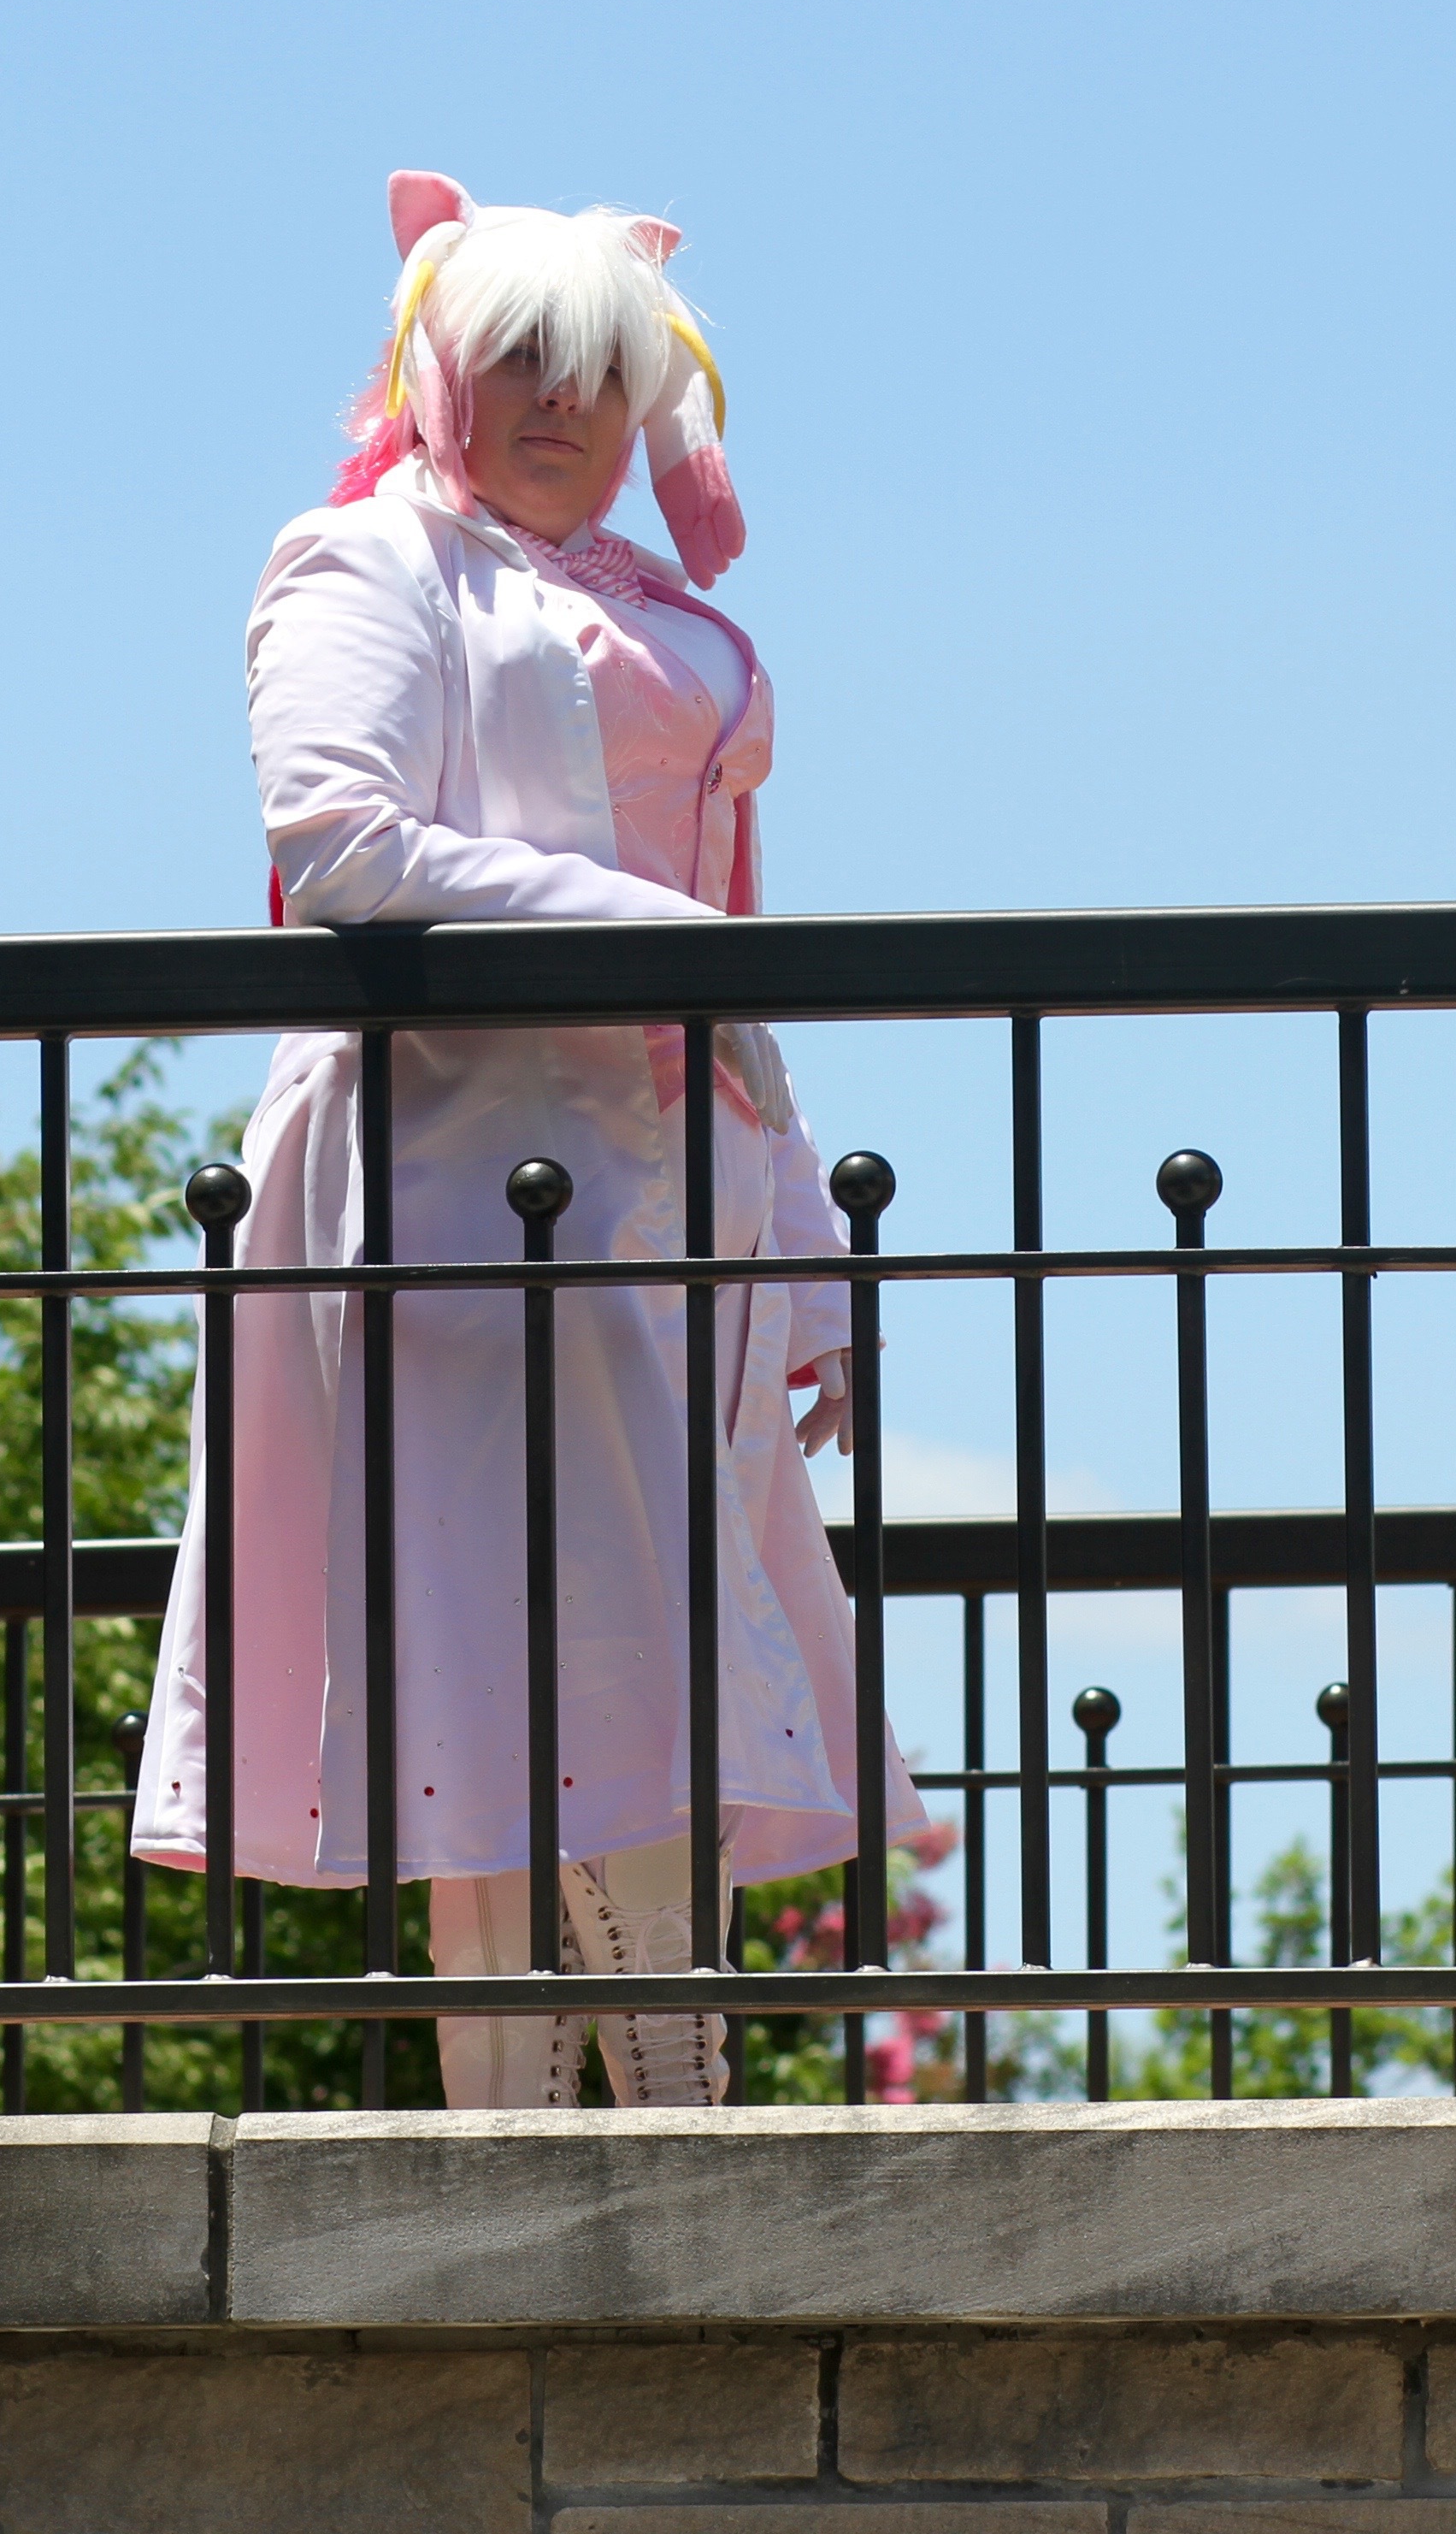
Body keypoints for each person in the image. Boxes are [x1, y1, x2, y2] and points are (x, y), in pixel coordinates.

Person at [128, 171, 916, 2107]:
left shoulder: (645, 604)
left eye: (602, 367)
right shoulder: (366, 559)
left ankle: (585, 2154)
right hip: (454, 1190)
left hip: (658, 1203)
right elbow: (340, 845)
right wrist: (652, 934)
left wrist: (806, 1248)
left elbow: (729, 965)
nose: (565, 398)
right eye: (523, 358)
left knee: (599, 1675)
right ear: (439, 371)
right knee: (521, 1688)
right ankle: (620, 2150)